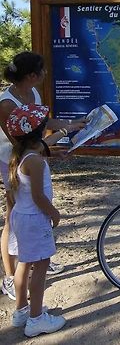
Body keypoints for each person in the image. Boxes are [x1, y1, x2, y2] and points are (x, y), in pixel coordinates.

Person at [0, 52, 85, 300]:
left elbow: (41, 123)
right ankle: (9, 276)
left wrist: (72, 124)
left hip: (30, 156)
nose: (46, 73)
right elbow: (21, 141)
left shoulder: (33, 92)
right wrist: (48, 148)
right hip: (12, 161)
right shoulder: (6, 104)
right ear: (31, 75)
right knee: (13, 217)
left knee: (26, 214)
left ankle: (33, 258)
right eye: (42, 70)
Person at [6, 103, 67, 336]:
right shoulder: (36, 161)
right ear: (40, 132)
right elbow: (39, 196)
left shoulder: (21, 153)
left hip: (21, 216)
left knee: (24, 263)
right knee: (41, 267)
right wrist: (54, 213)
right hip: (35, 219)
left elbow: (42, 150)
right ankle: (36, 319)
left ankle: (22, 311)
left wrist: (60, 140)